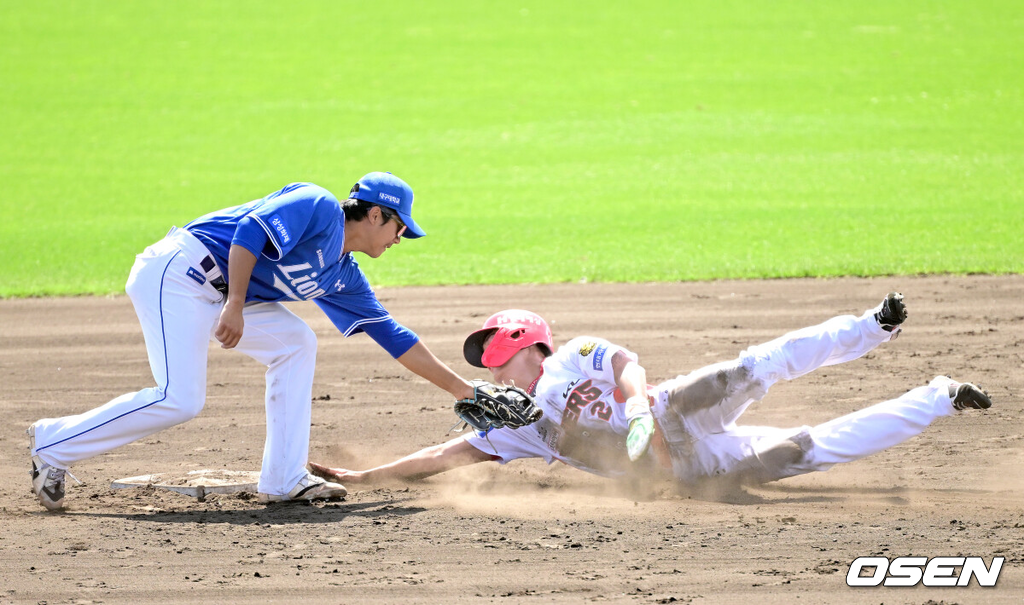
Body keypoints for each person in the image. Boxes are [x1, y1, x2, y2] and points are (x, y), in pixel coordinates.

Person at [29, 172, 482, 510]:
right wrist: (235, 304)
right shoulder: (318, 205)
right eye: (401, 228)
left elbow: (393, 335)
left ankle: (284, 478)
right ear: (377, 214)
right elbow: (249, 231)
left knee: (296, 343)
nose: (401, 239)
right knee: (180, 398)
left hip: (223, 293)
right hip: (180, 273)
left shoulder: (342, 274)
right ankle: (53, 443)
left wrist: (465, 391)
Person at [310, 294, 993, 490]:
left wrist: (639, 407)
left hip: (672, 409)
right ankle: (940, 397)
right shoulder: (516, 428)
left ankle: (871, 326)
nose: (492, 372)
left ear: (525, 340)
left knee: (757, 364)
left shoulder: (569, 357)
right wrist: (366, 476)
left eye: (496, 356)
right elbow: (443, 455)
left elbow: (626, 366)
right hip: (688, 469)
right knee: (808, 449)